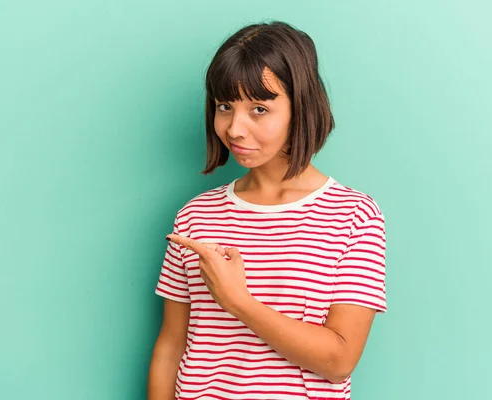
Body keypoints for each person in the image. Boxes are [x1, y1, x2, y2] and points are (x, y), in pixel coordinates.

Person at [147, 21, 387, 400]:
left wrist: (237, 301)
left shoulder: (353, 215)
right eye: (225, 106)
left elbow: (339, 360)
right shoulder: (195, 216)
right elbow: (170, 346)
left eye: (259, 108)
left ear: (301, 107)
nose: (235, 129)